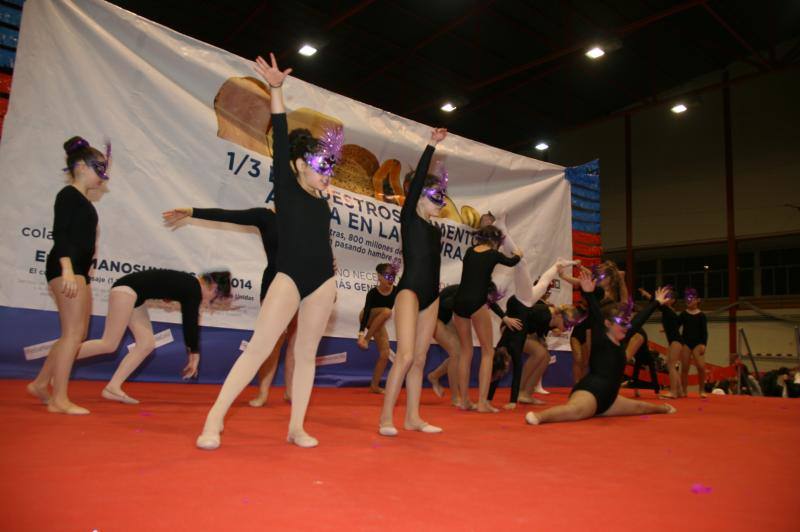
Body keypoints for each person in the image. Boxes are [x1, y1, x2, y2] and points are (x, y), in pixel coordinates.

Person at [197, 53, 341, 450]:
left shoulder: (322, 200)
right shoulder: (291, 187)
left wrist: (331, 266)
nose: (327, 171)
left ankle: (296, 427)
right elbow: (279, 132)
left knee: (306, 355)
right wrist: (277, 89)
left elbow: (319, 238)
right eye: (319, 165)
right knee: (261, 348)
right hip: (290, 277)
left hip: (322, 282)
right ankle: (214, 418)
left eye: (329, 166)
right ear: (298, 165)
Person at [162, 204, 295, 407]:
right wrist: (192, 211)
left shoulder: (304, 220)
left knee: (297, 341)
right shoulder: (266, 216)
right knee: (272, 340)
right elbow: (229, 214)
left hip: (302, 284)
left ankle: (292, 391)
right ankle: (263, 393)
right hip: (274, 284)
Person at [27, 136, 110, 415]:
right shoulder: (68, 196)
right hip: (67, 269)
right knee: (72, 334)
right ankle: (58, 399)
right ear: (81, 166)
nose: (103, 175)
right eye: (99, 168)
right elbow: (59, 233)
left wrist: (80, 273)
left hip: (78, 272)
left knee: (77, 334)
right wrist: (67, 269)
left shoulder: (82, 200)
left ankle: (40, 384)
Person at [525, 273, 676, 425]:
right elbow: (597, 314)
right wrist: (589, 294)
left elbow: (639, 320)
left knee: (640, 407)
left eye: (627, 324)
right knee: (576, 411)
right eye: (622, 324)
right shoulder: (601, 337)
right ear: (608, 324)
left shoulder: (623, 338)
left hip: (610, 400)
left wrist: (656, 302)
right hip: (590, 393)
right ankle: (540, 417)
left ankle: (662, 408)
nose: (627, 327)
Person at [378, 127, 448, 437]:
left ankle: (413, 418)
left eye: (442, 199)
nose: (440, 203)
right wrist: (431, 146)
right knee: (405, 356)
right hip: (409, 292)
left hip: (431, 296)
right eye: (435, 197)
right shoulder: (409, 217)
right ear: (419, 197)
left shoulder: (436, 229)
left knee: (420, 359)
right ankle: (385, 419)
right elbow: (419, 178)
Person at [71, 269, 231, 403]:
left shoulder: (189, 283)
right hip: (126, 290)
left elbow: (160, 282)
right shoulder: (193, 288)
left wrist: (166, 294)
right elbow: (190, 323)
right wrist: (194, 354)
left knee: (146, 344)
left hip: (133, 294)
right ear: (213, 288)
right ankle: (62, 356)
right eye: (214, 298)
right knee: (108, 343)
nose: (209, 301)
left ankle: (112, 388)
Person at [452, 225, 521, 412]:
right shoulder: (493, 254)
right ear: (495, 241)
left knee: (465, 352)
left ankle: (464, 400)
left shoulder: (469, 251)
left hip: (459, 302)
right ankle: (482, 402)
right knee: (487, 352)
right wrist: (519, 254)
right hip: (476, 302)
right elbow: (512, 261)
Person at [427, 283, 517, 405]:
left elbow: (491, 304)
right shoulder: (466, 293)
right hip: (432, 317)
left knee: (460, 353)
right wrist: (462, 307)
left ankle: (434, 376)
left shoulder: (477, 293)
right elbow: (444, 303)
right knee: (456, 353)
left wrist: (504, 317)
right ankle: (455, 397)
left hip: (445, 318)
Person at [357, 261, 399, 393]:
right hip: (367, 316)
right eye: (387, 275)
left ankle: (374, 386)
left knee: (385, 353)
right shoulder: (373, 293)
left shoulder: (396, 291)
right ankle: (367, 339)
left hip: (379, 322)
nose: (390, 279)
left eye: (392, 276)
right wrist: (361, 334)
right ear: (379, 277)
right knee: (387, 312)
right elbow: (367, 312)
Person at [680, 288, 708, 397]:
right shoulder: (683, 314)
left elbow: (705, 332)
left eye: (691, 299)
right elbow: (676, 325)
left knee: (701, 367)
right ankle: (684, 390)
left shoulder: (701, 316)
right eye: (687, 300)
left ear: (697, 300)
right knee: (685, 367)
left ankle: (702, 390)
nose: (689, 301)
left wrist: (704, 344)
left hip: (697, 343)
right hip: (685, 342)